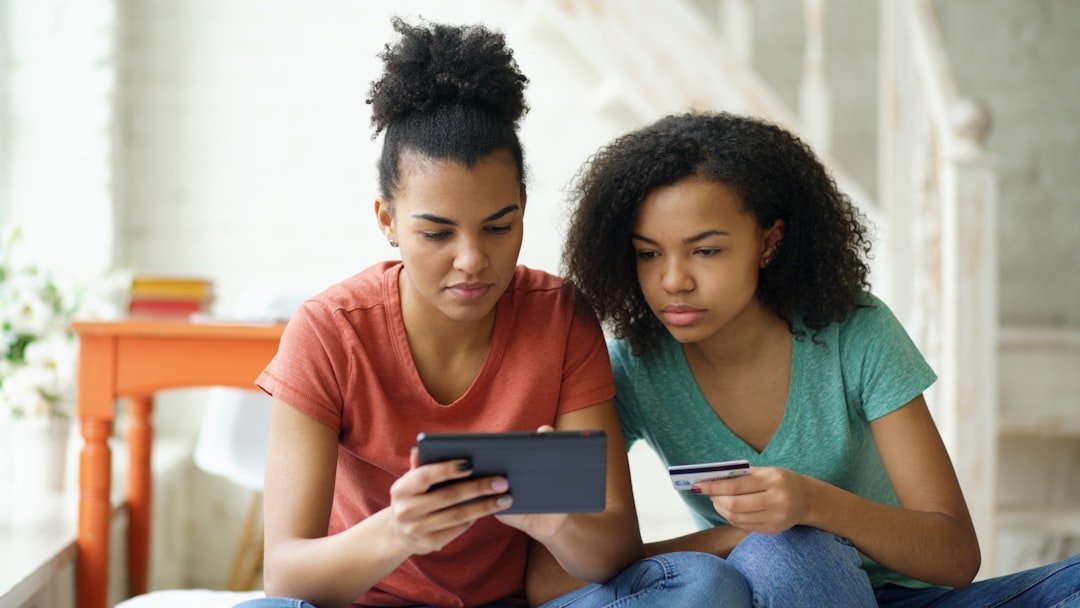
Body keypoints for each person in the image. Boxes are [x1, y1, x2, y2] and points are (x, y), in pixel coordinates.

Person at [237, 22, 751, 608]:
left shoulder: (558, 318)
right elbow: (285, 574)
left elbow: (612, 552)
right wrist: (397, 532)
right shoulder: (331, 331)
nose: (473, 261)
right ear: (387, 221)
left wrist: (553, 522)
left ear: (524, 209)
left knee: (703, 587)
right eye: (436, 233)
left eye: (499, 227)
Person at [560, 111, 1080, 607]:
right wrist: (741, 534)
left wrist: (812, 504)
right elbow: (562, 575)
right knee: (787, 550)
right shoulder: (632, 367)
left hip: (911, 599)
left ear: (769, 242)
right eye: (649, 254)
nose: (674, 280)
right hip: (775, 587)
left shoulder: (855, 330)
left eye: (706, 250)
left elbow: (956, 555)